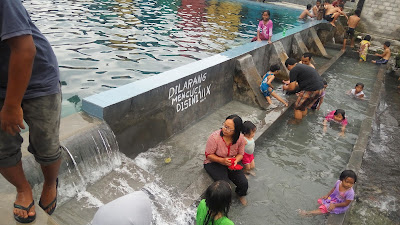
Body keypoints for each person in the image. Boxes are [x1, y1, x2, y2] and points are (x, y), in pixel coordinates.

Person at [0, 0, 62, 223]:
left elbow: (25, 50)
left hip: (38, 78)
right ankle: (23, 189)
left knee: (46, 146)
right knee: (2, 149)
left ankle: (49, 182)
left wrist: (11, 105)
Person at [204, 115, 248, 205]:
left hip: (231, 162)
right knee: (225, 186)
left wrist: (235, 160)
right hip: (214, 162)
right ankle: (223, 203)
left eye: (228, 128)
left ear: (236, 131)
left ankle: (240, 194)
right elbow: (208, 155)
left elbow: (241, 154)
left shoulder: (240, 139)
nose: (224, 129)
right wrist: (222, 161)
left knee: (243, 183)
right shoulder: (214, 137)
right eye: (224, 126)